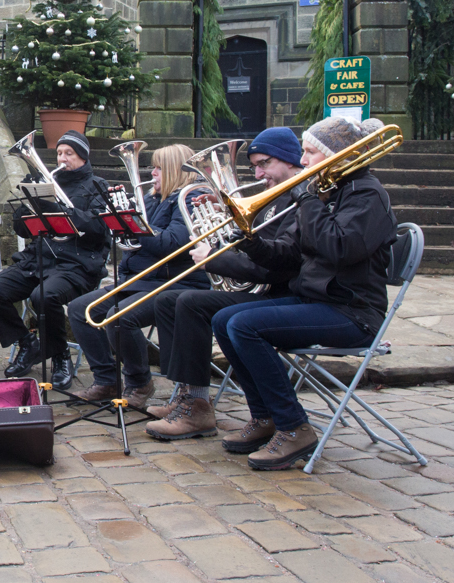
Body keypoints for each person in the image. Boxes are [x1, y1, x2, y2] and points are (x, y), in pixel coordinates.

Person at [211, 116, 397, 470]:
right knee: (224, 320)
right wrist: (251, 243)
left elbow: (339, 248)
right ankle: (266, 417)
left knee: (246, 326)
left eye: (311, 152)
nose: (305, 159)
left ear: (335, 156)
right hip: (316, 300)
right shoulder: (329, 192)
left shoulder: (367, 194)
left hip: (352, 312)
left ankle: (294, 427)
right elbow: (290, 255)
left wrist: (306, 198)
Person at [143, 128, 303, 440]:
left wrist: (213, 258)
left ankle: (199, 407)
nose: (258, 173)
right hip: (265, 287)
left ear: (289, 159)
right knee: (169, 301)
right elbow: (255, 249)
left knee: (192, 303)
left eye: (264, 164)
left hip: (280, 292)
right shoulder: (274, 198)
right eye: (254, 166)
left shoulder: (295, 200)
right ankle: (188, 394)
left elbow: (273, 265)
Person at [66, 144, 208, 406]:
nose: (152, 173)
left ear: (177, 170)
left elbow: (173, 244)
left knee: (118, 317)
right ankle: (107, 380)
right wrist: (120, 221)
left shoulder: (189, 198)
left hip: (174, 282)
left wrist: (131, 222)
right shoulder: (155, 198)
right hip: (140, 279)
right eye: (152, 166)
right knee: (78, 309)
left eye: (159, 168)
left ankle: (139, 382)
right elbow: (132, 243)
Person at [0, 129, 109, 390]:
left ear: (83, 157)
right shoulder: (47, 183)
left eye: (69, 154)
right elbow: (22, 230)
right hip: (41, 259)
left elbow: (98, 229)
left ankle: (61, 357)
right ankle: (28, 344)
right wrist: (30, 199)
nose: (62, 158)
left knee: (43, 296)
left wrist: (65, 210)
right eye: (59, 153)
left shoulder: (98, 185)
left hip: (78, 263)